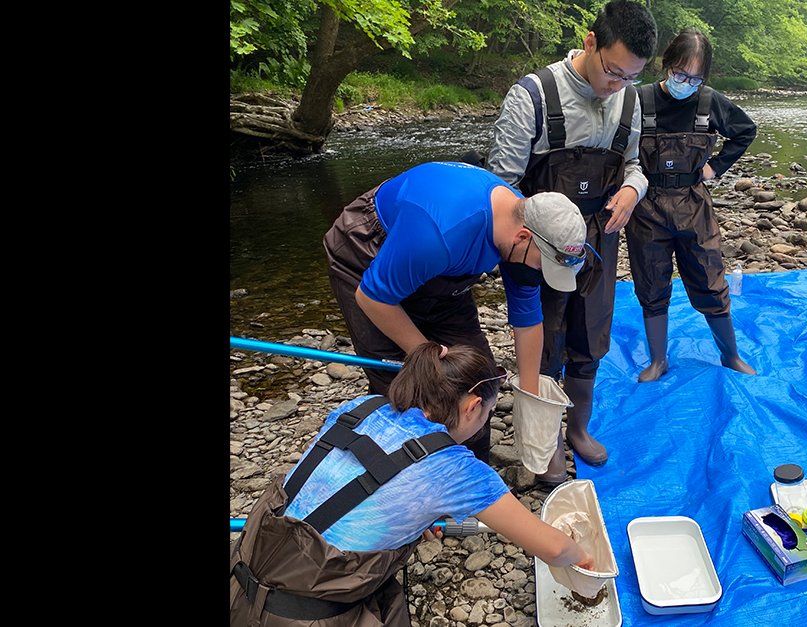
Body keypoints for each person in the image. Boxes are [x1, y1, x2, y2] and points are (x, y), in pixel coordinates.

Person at [230, 342, 597, 626]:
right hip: (302, 615)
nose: (483, 424)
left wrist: (409, 522)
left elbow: (351, 490)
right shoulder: (454, 470)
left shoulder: (360, 407)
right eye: (486, 414)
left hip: (241, 572)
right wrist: (583, 559)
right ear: (471, 406)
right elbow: (551, 548)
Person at [486, 0, 658, 483]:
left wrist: (632, 188)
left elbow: (634, 165)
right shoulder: (534, 96)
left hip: (598, 238)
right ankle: (543, 447)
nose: (617, 86)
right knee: (542, 342)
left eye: (631, 77)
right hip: (536, 243)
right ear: (590, 43)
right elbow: (498, 187)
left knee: (591, 335)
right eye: (613, 73)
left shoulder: (629, 98)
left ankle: (578, 429)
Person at [322, 161, 588, 466]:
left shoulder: (526, 229)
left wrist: (530, 396)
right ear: (523, 237)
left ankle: (468, 476)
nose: (540, 274)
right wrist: (426, 352)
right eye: (543, 267)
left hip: (442, 269)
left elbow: (527, 320)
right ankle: (397, 478)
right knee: (404, 380)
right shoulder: (442, 233)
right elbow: (372, 298)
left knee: (479, 377)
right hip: (369, 251)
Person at [624, 27, 760, 382]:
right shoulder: (637, 100)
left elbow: (746, 130)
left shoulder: (709, 101)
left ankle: (730, 355)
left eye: (696, 78)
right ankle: (658, 360)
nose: (687, 82)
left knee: (711, 281)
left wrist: (716, 167)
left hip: (694, 207)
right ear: (666, 65)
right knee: (651, 285)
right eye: (680, 74)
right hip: (646, 207)